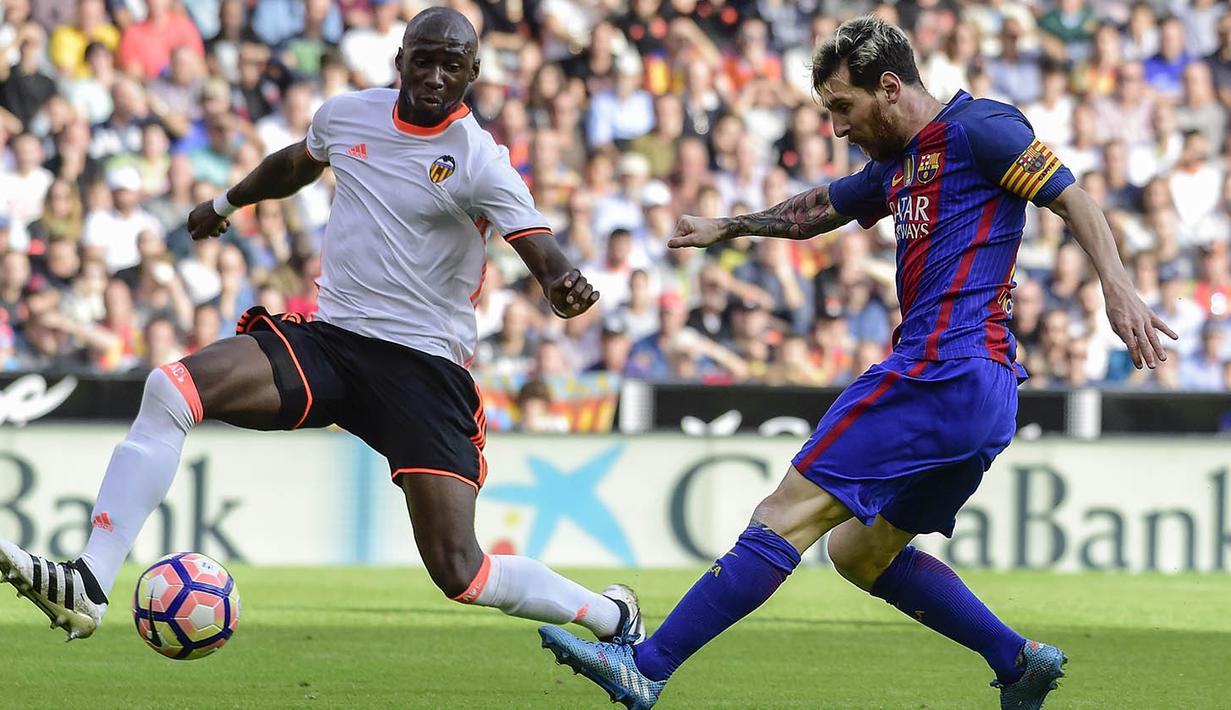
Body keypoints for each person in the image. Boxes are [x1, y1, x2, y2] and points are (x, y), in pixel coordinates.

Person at [537, 16, 1176, 710]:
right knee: (857, 553)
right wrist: (731, 226)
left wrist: (1117, 289)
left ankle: (648, 666)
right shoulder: (897, 164)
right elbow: (818, 209)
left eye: (843, 108)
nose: (838, 128)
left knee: (784, 513)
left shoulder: (980, 129)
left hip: (940, 369)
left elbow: (1072, 196)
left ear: (890, 87)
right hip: (983, 394)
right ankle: (1014, 661)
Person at [0, 8, 644, 655]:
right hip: (332, 343)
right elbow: (295, 164)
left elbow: (541, 253)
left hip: (422, 372)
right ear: (401, 59)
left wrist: (563, 286)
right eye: (424, 59)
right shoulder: (348, 115)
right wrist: (226, 204)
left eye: (454, 66)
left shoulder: (480, 161)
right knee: (171, 388)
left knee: (461, 571)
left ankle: (610, 618)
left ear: (474, 75)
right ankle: (88, 582)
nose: (436, 75)